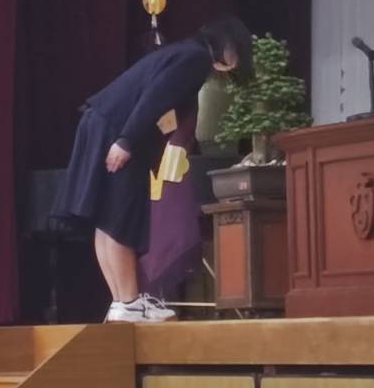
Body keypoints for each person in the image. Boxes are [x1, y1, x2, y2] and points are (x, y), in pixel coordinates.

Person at [55, 16, 253, 323]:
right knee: (119, 217)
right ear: (228, 46)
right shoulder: (196, 58)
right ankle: (129, 301)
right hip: (117, 129)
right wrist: (126, 140)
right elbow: (156, 97)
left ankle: (122, 302)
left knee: (107, 219)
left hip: (102, 122)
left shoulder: (182, 52)